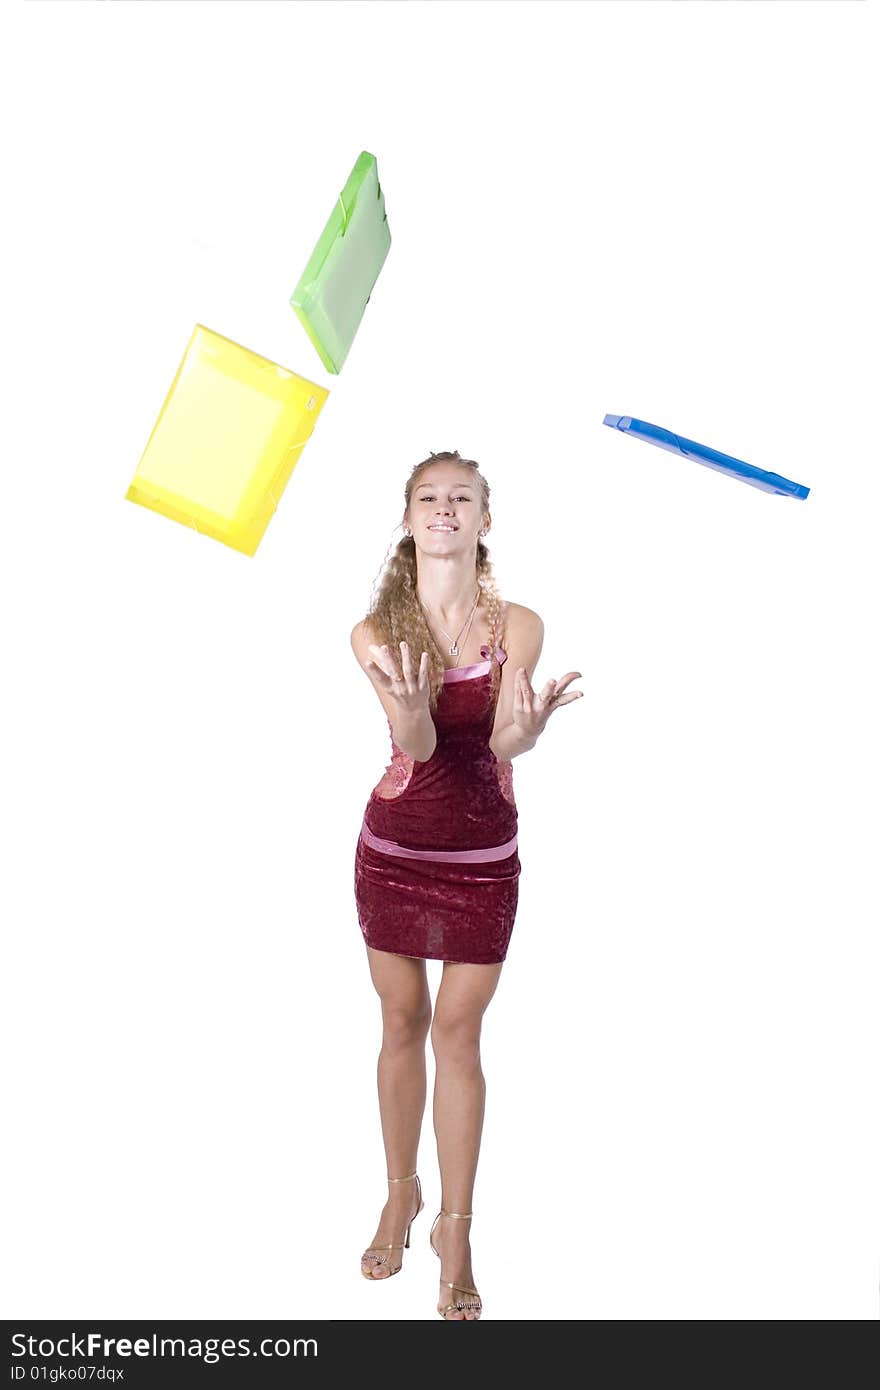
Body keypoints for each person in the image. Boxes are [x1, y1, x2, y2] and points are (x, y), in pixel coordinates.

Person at [350, 450, 582, 1319]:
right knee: (401, 1020)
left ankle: (456, 1227)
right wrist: (411, 709)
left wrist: (526, 731)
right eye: (429, 497)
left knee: (458, 1033)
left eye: (463, 498)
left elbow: (499, 749)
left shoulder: (516, 623)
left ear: (487, 519)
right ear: (408, 520)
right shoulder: (375, 631)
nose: (445, 508)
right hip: (395, 853)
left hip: (483, 860)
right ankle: (398, 1193)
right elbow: (415, 749)